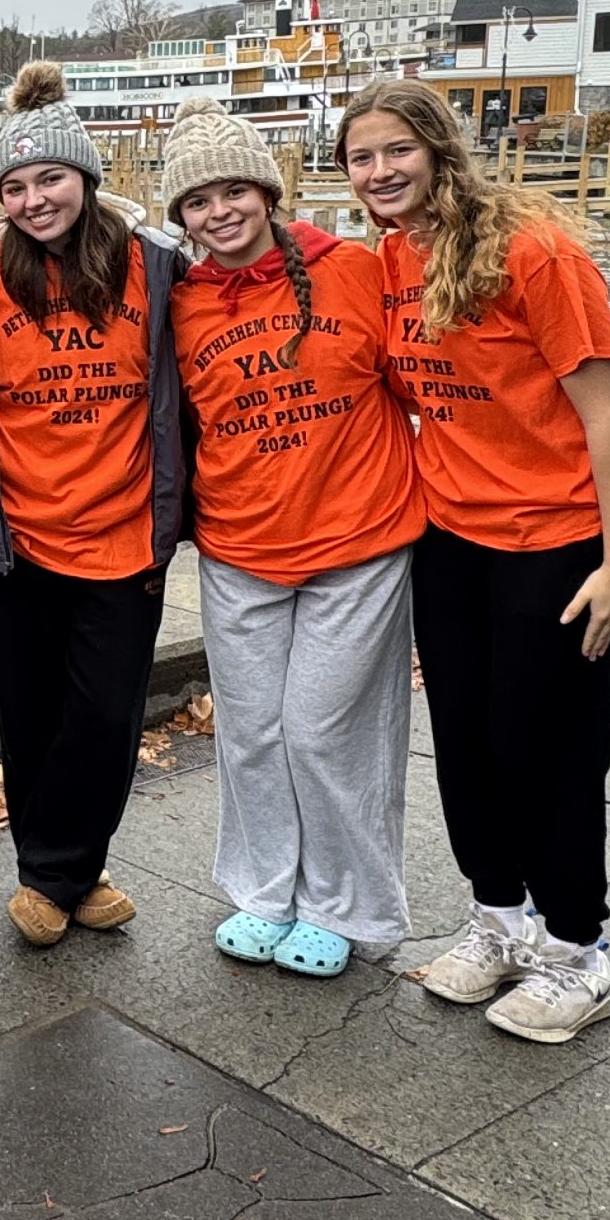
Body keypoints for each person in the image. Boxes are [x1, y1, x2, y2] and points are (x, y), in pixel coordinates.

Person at [338, 79, 610, 1044]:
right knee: (466, 740)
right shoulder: (389, 258)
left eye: (397, 151)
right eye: (360, 157)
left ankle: (578, 952)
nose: (380, 172)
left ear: (439, 149)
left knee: (546, 748)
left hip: (556, 542)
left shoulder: (533, 252)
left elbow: (608, 414)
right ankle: (498, 921)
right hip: (451, 538)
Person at [163, 98, 423, 980]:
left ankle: (345, 906)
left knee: (324, 731)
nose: (220, 211)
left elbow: (442, 353)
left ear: (269, 192)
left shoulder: (353, 269)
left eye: (236, 190)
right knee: (251, 733)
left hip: (358, 540)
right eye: (198, 201)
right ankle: (262, 889)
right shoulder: (184, 301)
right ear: (182, 218)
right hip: (240, 546)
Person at [0, 63, 187, 949]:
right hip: (18, 534)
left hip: (124, 534)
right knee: (30, 711)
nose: (36, 199)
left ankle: (65, 867)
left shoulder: (155, 267)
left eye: (51, 178)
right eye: (14, 185)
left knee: (107, 714)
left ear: (86, 177)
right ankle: (54, 875)